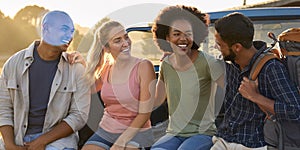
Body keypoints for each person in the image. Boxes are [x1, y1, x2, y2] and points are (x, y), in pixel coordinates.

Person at [0, 10, 91, 150]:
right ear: (46, 29)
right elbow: (3, 108)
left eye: (72, 31)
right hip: (17, 138)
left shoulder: (76, 69)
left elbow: (79, 116)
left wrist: (42, 141)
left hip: (57, 142)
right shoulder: (13, 64)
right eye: (64, 29)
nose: (70, 36)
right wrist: (10, 145)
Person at [211, 12, 300, 149]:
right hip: (223, 139)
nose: (216, 48)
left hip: (251, 146)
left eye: (219, 44)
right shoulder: (232, 65)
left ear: (237, 47)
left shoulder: (271, 67)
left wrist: (255, 97)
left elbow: (295, 111)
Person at [150, 5, 225, 150]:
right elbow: (157, 100)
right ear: (167, 37)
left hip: (203, 134)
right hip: (174, 133)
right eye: (176, 34)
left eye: (188, 34)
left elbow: (231, 91)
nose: (182, 39)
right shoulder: (166, 64)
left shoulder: (208, 63)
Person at [74, 20, 156, 150]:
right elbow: (88, 89)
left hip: (138, 133)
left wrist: (120, 143)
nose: (125, 43)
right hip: (107, 130)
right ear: (106, 48)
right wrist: (81, 63)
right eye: (117, 40)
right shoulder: (106, 69)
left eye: (126, 37)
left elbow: (144, 114)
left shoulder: (144, 66)